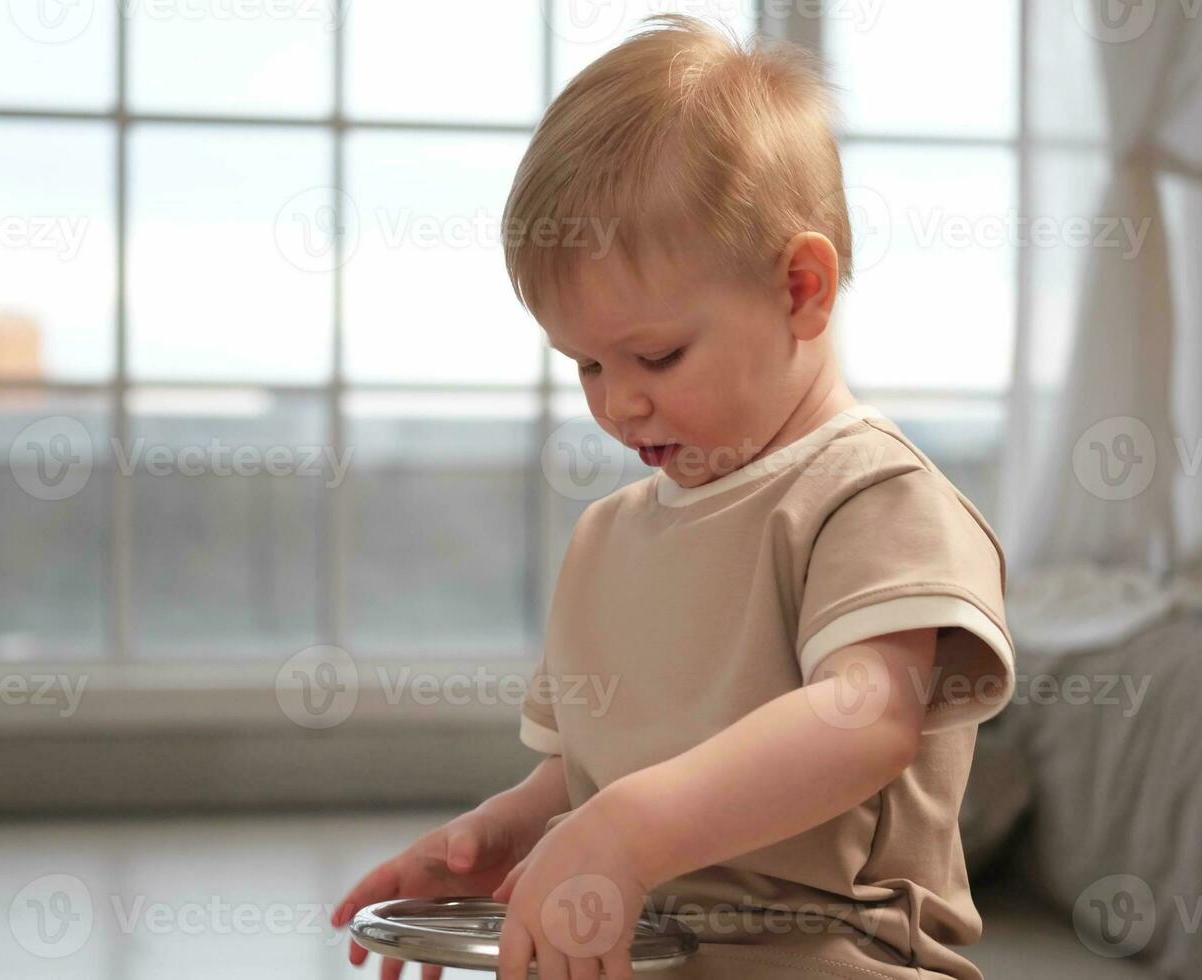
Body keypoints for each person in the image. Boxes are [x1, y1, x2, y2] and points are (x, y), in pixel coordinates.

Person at [333, 14, 1015, 979]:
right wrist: (503, 838)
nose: (619, 402)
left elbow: (866, 718)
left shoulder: (871, 497)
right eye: (588, 366)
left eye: (656, 355)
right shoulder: (608, 537)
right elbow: (589, 772)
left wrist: (624, 831)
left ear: (801, 290)